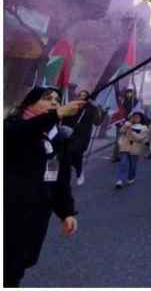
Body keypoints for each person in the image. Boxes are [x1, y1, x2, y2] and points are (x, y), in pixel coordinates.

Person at [4, 87, 84, 287]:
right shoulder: (13, 127)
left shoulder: (58, 139)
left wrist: (67, 212)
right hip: (7, 214)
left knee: (15, 270)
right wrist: (56, 114)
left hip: (34, 219)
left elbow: (60, 180)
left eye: (57, 100)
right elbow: (23, 133)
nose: (54, 102)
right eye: (47, 98)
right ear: (29, 104)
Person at [66, 88, 99, 186]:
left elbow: (97, 122)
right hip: (71, 134)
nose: (82, 97)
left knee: (76, 153)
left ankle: (79, 174)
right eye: (80, 95)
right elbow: (65, 118)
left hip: (83, 136)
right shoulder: (73, 106)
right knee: (70, 156)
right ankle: (78, 173)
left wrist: (96, 108)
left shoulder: (91, 108)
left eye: (84, 95)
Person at [115, 110, 149, 188]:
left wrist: (131, 131)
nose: (136, 118)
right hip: (125, 146)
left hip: (135, 148)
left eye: (138, 117)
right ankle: (120, 180)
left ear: (141, 118)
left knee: (133, 165)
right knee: (123, 163)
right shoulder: (127, 124)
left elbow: (139, 138)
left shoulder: (144, 128)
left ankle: (131, 177)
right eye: (134, 117)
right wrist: (126, 125)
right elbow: (121, 131)